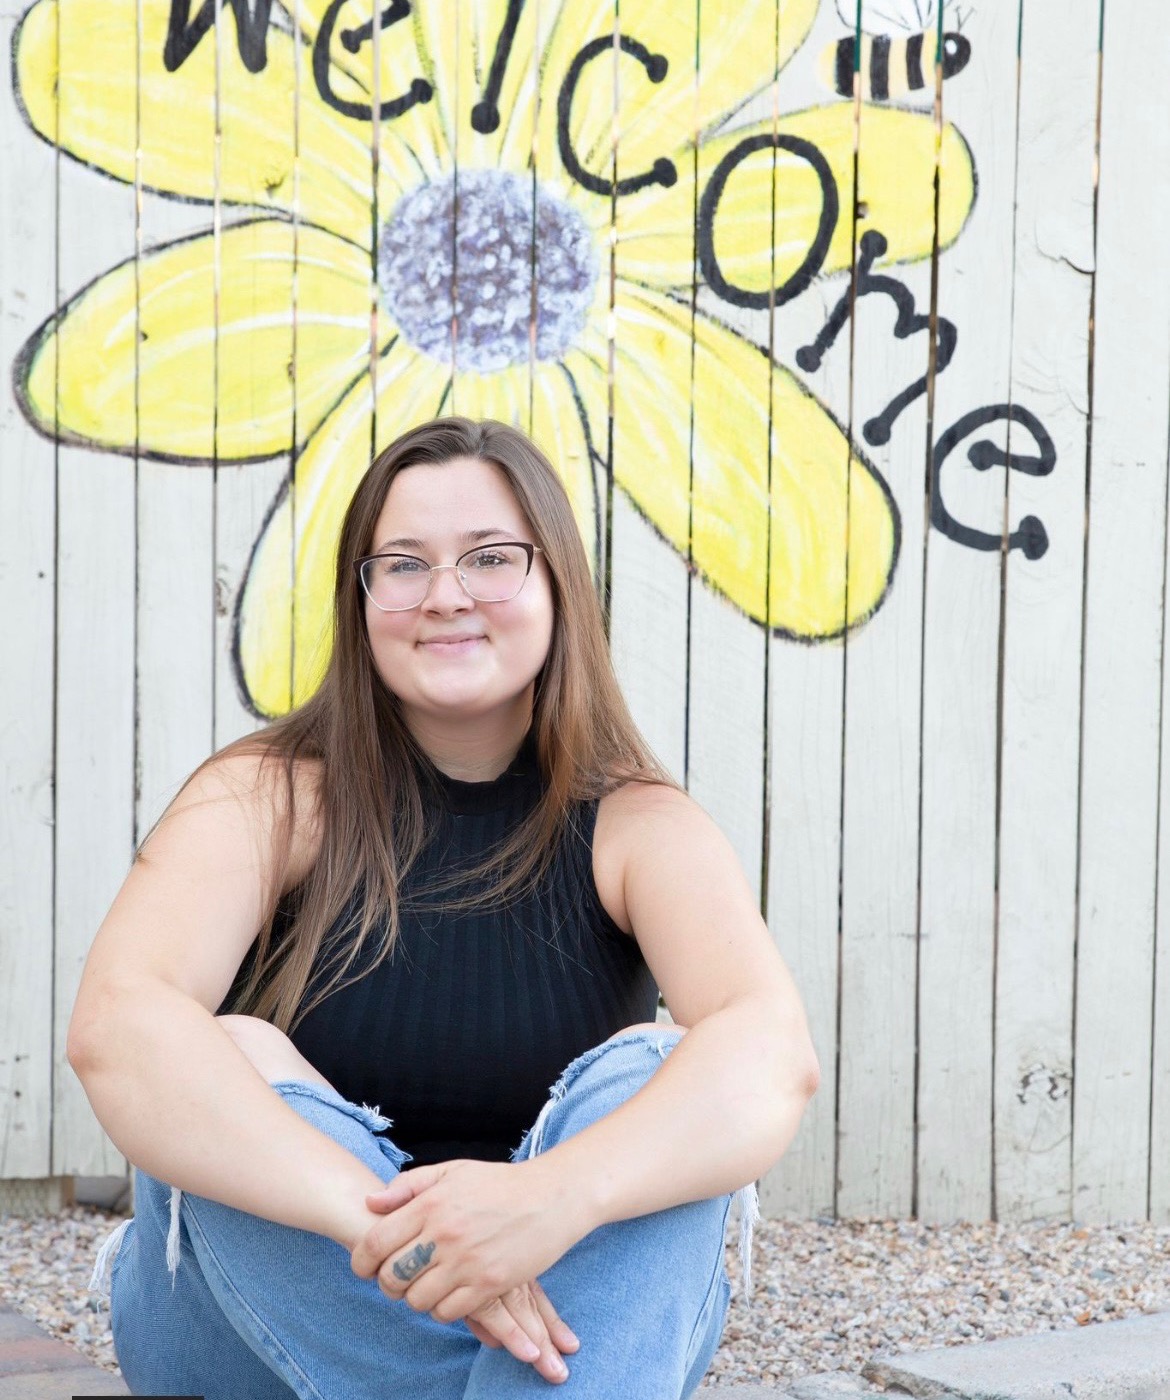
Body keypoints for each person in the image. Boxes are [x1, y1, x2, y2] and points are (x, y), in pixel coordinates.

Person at [69, 416, 821, 1399]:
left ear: (558, 585)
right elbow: (117, 1027)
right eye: (405, 564)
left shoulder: (640, 827)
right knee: (233, 1056)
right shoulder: (263, 798)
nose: (448, 594)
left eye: (492, 558)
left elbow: (773, 1054)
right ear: (363, 596)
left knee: (663, 1073)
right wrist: (409, 1239)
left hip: (563, 1281)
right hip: (248, 1317)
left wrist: (550, 1200)